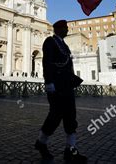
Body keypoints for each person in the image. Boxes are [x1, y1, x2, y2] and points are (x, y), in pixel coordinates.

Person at [35, 20, 87, 162]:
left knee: (71, 116)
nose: (67, 30)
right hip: (56, 86)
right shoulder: (50, 42)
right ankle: (41, 142)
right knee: (55, 116)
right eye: (65, 28)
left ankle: (70, 150)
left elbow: (67, 65)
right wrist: (49, 82)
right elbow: (47, 63)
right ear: (58, 29)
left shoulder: (64, 45)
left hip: (67, 86)